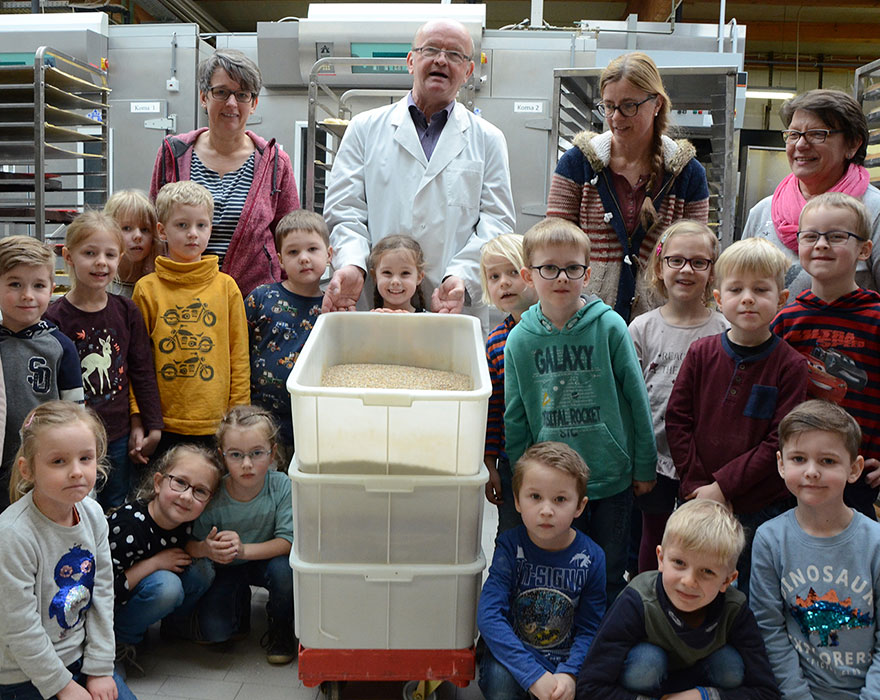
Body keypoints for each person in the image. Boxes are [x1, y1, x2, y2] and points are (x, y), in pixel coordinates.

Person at [322, 18, 515, 324]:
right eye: (431, 49)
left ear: (467, 71)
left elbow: (497, 222)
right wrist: (353, 265)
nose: (441, 59)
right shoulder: (364, 128)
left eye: (454, 54)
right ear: (411, 61)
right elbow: (345, 211)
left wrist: (462, 277)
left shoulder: (488, 139)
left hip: (452, 306)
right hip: (377, 303)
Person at [503, 217, 656, 603]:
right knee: (558, 571)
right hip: (553, 487)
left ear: (587, 274)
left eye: (572, 268)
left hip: (610, 478)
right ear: (528, 275)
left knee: (607, 571)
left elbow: (638, 401)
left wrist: (644, 465)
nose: (561, 278)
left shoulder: (610, 327)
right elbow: (516, 415)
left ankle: (603, 655)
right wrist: (523, 483)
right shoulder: (519, 339)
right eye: (548, 268)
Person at [666, 237, 808, 597]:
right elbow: (678, 419)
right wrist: (700, 486)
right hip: (697, 496)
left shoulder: (790, 366)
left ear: (781, 300)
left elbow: (780, 439)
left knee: (743, 590)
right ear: (718, 299)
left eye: (760, 289)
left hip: (758, 506)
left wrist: (724, 487)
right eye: (736, 289)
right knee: (693, 581)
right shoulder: (701, 353)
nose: (747, 298)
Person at [546, 51, 709, 323]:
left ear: (656, 103)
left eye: (629, 106)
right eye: (609, 106)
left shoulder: (687, 174)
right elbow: (553, 244)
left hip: (661, 324)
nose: (616, 117)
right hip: (586, 319)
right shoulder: (577, 164)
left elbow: (698, 254)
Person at [576, 499, 780, 700]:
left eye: (707, 571)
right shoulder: (636, 600)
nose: (689, 581)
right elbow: (589, 686)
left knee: (729, 665)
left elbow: (766, 691)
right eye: (679, 563)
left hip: (704, 687)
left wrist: (703, 696)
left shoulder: (735, 609)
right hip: (644, 687)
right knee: (645, 663)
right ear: (661, 559)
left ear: (728, 580)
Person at [0, 401, 136, 700]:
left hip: (78, 658)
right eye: (58, 461)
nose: (76, 472)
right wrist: (62, 685)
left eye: (85, 458)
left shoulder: (93, 513)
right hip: (23, 674)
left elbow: (101, 592)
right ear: (28, 469)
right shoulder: (12, 535)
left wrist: (100, 667)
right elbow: (19, 626)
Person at [751, 400, 880, 699]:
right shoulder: (770, 539)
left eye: (828, 461)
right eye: (798, 459)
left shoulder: (875, 543)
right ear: (781, 464)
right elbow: (768, 630)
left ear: (855, 468)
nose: (811, 472)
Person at [149, 48, 300, 297]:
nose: (231, 103)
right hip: (182, 302)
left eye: (242, 94)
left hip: (253, 304)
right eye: (221, 92)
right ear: (203, 97)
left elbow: (291, 237)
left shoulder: (275, 163)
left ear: (254, 104)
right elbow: (154, 229)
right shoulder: (173, 154)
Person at [771, 193, 880, 519]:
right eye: (810, 236)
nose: (821, 245)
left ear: (864, 249)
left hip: (856, 475)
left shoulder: (876, 318)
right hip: (791, 473)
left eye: (836, 236)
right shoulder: (786, 320)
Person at [628, 220, 728, 573]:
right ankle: (646, 602)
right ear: (659, 266)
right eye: (676, 260)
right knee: (651, 537)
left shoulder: (724, 329)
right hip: (653, 460)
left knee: (698, 541)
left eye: (698, 262)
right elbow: (631, 399)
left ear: (712, 272)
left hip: (703, 464)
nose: (686, 269)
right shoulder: (641, 328)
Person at [45, 211, 163, 509]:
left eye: (110, 254)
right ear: (68, 256)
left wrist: (152, 424)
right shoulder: (53, 318)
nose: (101, 262)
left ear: (120, 257)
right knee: (75, 504)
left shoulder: (126, 311)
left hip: (118, 434)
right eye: (90, 253)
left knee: (114, 504)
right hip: (71, 440)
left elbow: (141, 370)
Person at [477, 441, 606, 700]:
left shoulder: (592, 557)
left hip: (566, 662)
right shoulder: (509, 547)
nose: (546, 510)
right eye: (535, 497)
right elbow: (489, 615)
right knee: (500, 683)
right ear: (518, 501)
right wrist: (532, 675)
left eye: (560, 499)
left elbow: (592, 627)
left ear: (579, 507)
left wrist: (569, 674)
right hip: (516, 656)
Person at [132, 181, 250, 459]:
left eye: (201, 225)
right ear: (162, 230)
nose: (193, 234)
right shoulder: (146, 289)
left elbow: (239, 357)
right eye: (182, 225)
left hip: (217, 423)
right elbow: (137, 361)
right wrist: (138, 416)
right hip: (161, 424)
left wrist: (239, 418)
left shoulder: (227, 287)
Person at [742, 89, 880, 296]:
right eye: (793, 135)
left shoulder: (873, 211)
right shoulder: (763, 212)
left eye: (817, 134)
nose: (800, 145)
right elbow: (739, 285)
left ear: (852, 144)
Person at [187, 406, 294, 665]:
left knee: (285, 572)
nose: (247, 464)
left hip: (265, 560)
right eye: (236, 455)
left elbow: (288, 542)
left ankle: (281, 626)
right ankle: (239, 604)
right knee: (215, 635)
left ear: (272, 455)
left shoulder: (281, 485)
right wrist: (207, 548)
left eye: (256, 453)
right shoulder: (213, 492)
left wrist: (243, 550)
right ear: (223, 456)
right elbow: (190, 545)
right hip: (226, 567)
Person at [110, 443, 223, 676]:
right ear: (158, 482)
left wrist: (203, 548)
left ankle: (173, 627)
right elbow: (105, 590)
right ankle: (118, 642)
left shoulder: (186, 521)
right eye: (180, 482)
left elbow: (180, 546)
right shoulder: (128, 527)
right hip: (111, 604)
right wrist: (154, 564)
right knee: (167, 587)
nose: (187, 496)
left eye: (200, 491)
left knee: (203, 569)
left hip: (144, 586)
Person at [0, 236, 83, 511]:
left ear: (52, 288)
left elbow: (75, 415)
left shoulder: (61, 347)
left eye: (38, 285)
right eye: (15, 284)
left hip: (44, 467)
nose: (27, 295)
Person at [245, 209, 331, 460]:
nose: (304, 258)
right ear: (280, 260)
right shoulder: (261, 298)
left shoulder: (332, 311)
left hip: (311, 422)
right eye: (293, 252)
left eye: (312, 250)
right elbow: (237, 353)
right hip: (261, 422)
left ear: (329, 254)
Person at [480, 233, 537, 535]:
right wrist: (489, 463)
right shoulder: (495, 342)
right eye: (494, 276)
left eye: (513, 272)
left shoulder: (556, 328)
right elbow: (494, 407)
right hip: (511, 459)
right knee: (512, 533)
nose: (504, 282)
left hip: (555, 455)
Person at [105, 189, 162, 298]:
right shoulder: (97, 285)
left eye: (145, 229)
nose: (138, 236)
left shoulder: (158, 286)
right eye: (127, 228)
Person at [368, 235, 427, 312]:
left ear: (419, 277)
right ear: (375, 276)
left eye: (405, 273)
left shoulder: (428, 320)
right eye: (387, 272)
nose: (395, 281)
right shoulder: (369, 319)